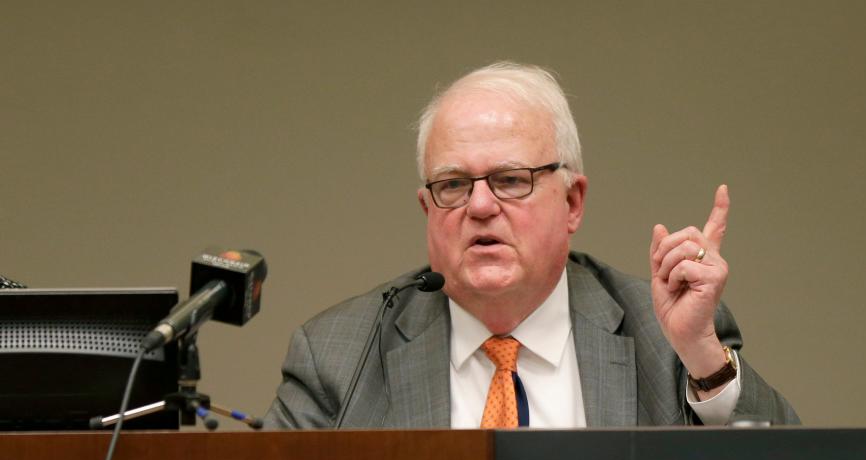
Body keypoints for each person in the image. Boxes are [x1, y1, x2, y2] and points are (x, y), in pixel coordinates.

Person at [265, 62, 798, 429]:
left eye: (511, 179)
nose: (478, 207)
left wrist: (704, 358)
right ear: (428, 211)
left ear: (572, 203)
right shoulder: (340, 356)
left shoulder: (664, 337)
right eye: (452, 185)